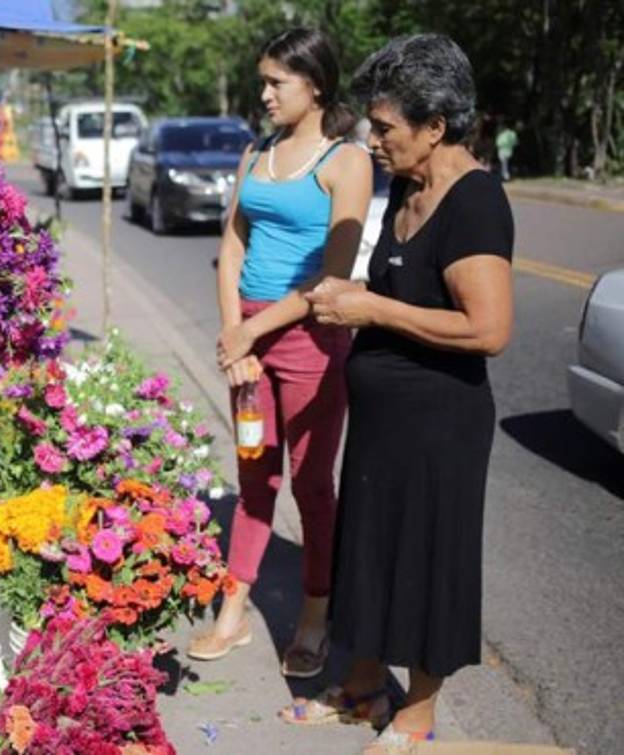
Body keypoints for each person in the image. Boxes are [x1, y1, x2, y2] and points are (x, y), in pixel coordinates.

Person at [285, 35, 514, 751]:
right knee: (373, 549)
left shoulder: (476, 202)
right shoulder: (410, 188)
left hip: (438, 424)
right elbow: (396, 287)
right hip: (384, 422)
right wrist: (354, 295)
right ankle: (361, 683)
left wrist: (375, 311)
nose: (373, 141)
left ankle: (416, 712)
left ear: (436, 126)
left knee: (426, 559)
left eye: (386, 128)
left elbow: (488, 328)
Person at [187, 28, 372, 680]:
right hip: (250, 342)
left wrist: (254, 334)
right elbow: (231, 247)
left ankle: (316, 612)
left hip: (311, 339)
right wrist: (236, 333)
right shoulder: (256, 154)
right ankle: (233, 609)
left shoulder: (347, 161)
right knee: (253, 474)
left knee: (312, 484)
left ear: (315, 84)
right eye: (261, 80)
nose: (263, 93)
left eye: (276, 82)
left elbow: (335, 274)